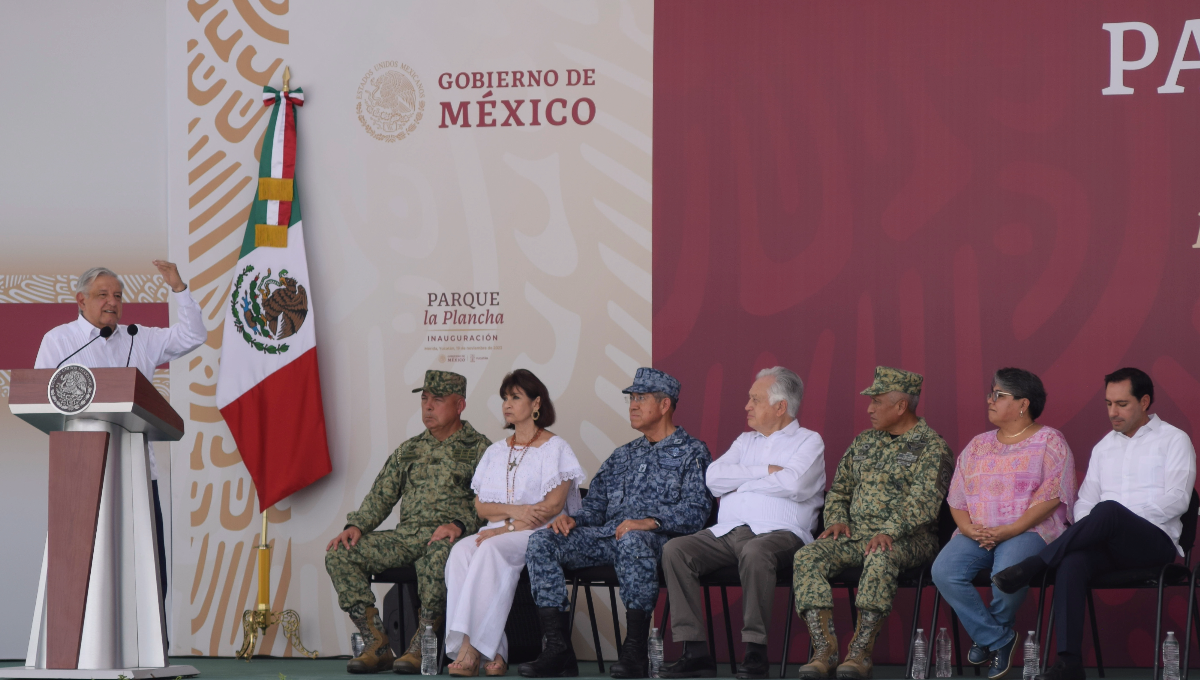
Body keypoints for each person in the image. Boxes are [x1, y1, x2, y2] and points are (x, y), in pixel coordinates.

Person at [992, 368, 1197, 680]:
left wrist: (1120, 520)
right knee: (1073, 561)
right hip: (1107, 542)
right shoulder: (1104, 447)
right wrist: (1102, 527)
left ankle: (1033, 565)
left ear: (1144, 402)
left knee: (1110, 511)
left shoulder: (1174, 440)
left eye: (1122, 404)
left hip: (1154, 543)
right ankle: (1069, 662)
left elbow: (1179, 500)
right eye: (1108, 403)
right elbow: (1085, 502)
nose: (1113, 412)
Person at [34, 262, 206, 614]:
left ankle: (152, 655)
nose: (112, 302)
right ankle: (80, 653)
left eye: (117, 295)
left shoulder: (137, 337)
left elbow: (193, 336)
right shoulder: (60, 341)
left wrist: (179, 288)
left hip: (138, 474)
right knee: (83, 567)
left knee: (148, 570)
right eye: (102, 295)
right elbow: (39, 396)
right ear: (80, 300)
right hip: (81, 473)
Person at [520, 367, 713, 679]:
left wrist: (650, 522)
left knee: (632, 540)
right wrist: (572, 519)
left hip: (659, 542)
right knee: (543, 541)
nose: (633, 405)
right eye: (631, 398)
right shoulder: (621, 456)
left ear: (665, 405)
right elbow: (594, 510)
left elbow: (697, 511)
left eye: (641, 398)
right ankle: (558, 649)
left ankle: (635, 650)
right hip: (607, 538)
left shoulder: (692, 452)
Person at [660, 367, 825, 679]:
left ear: (780, 406)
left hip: (782, 534)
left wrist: (742, 481)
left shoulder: (809, 441)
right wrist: (765, 471)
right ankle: (695, 652)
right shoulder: (744, 441)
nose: (747, 406)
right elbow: (713, 479)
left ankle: (755, 653)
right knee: (675, 550)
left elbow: (795, 484)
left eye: (755, 400)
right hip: (728, 532)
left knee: (755, 552)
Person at [793, 366, 954, 680]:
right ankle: (824, 651)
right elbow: (840, 489)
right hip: (856, 535)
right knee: (807, 556)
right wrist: (837, 519)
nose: (869, 408)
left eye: (877, 401)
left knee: (880, 556)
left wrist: (889, 530)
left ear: (900, 406)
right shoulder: (864, 442)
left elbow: (923, 503)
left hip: (909, 539)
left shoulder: (932, 447)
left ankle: (860, 653)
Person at [325, 370, 491, 675]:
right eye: (425, 399)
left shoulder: (480, 449)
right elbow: (380, 497)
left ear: (460, 405)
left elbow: (490, 503)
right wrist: (356, 526)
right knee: (340, 552)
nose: (428, 407)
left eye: (437, 400)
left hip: (449, 538)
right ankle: (375, 642)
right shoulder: (409, 450)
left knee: (440, 554)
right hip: (407, 537)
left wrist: (458, 524)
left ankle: (421, 643)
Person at [931, 368, 1076, 680]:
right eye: (990, 393)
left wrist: (1010, 530)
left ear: (1022, 403)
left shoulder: (1049, 440)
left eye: (998, 395)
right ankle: (997, 638)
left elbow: (1052, 496)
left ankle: (988, 637)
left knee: (1005, 575)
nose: (989, 400)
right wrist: (969, 529)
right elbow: (957, 498)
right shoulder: (978, 445)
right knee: (944, 571)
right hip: (977, 532)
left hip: (1029, 530)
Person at [444, 369, 585, 677]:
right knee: (460, 553)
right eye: (505, 398)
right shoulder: (495, 451)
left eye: (516, 397)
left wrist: (505, 527)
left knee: (489, 550)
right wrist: (516, 511)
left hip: (540, 535)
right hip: (501, 529)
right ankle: (495, 650)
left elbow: (551, 508)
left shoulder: (555, 448)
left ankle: (471, 649)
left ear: (536, 404)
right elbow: (481, 506)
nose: (507, 404)